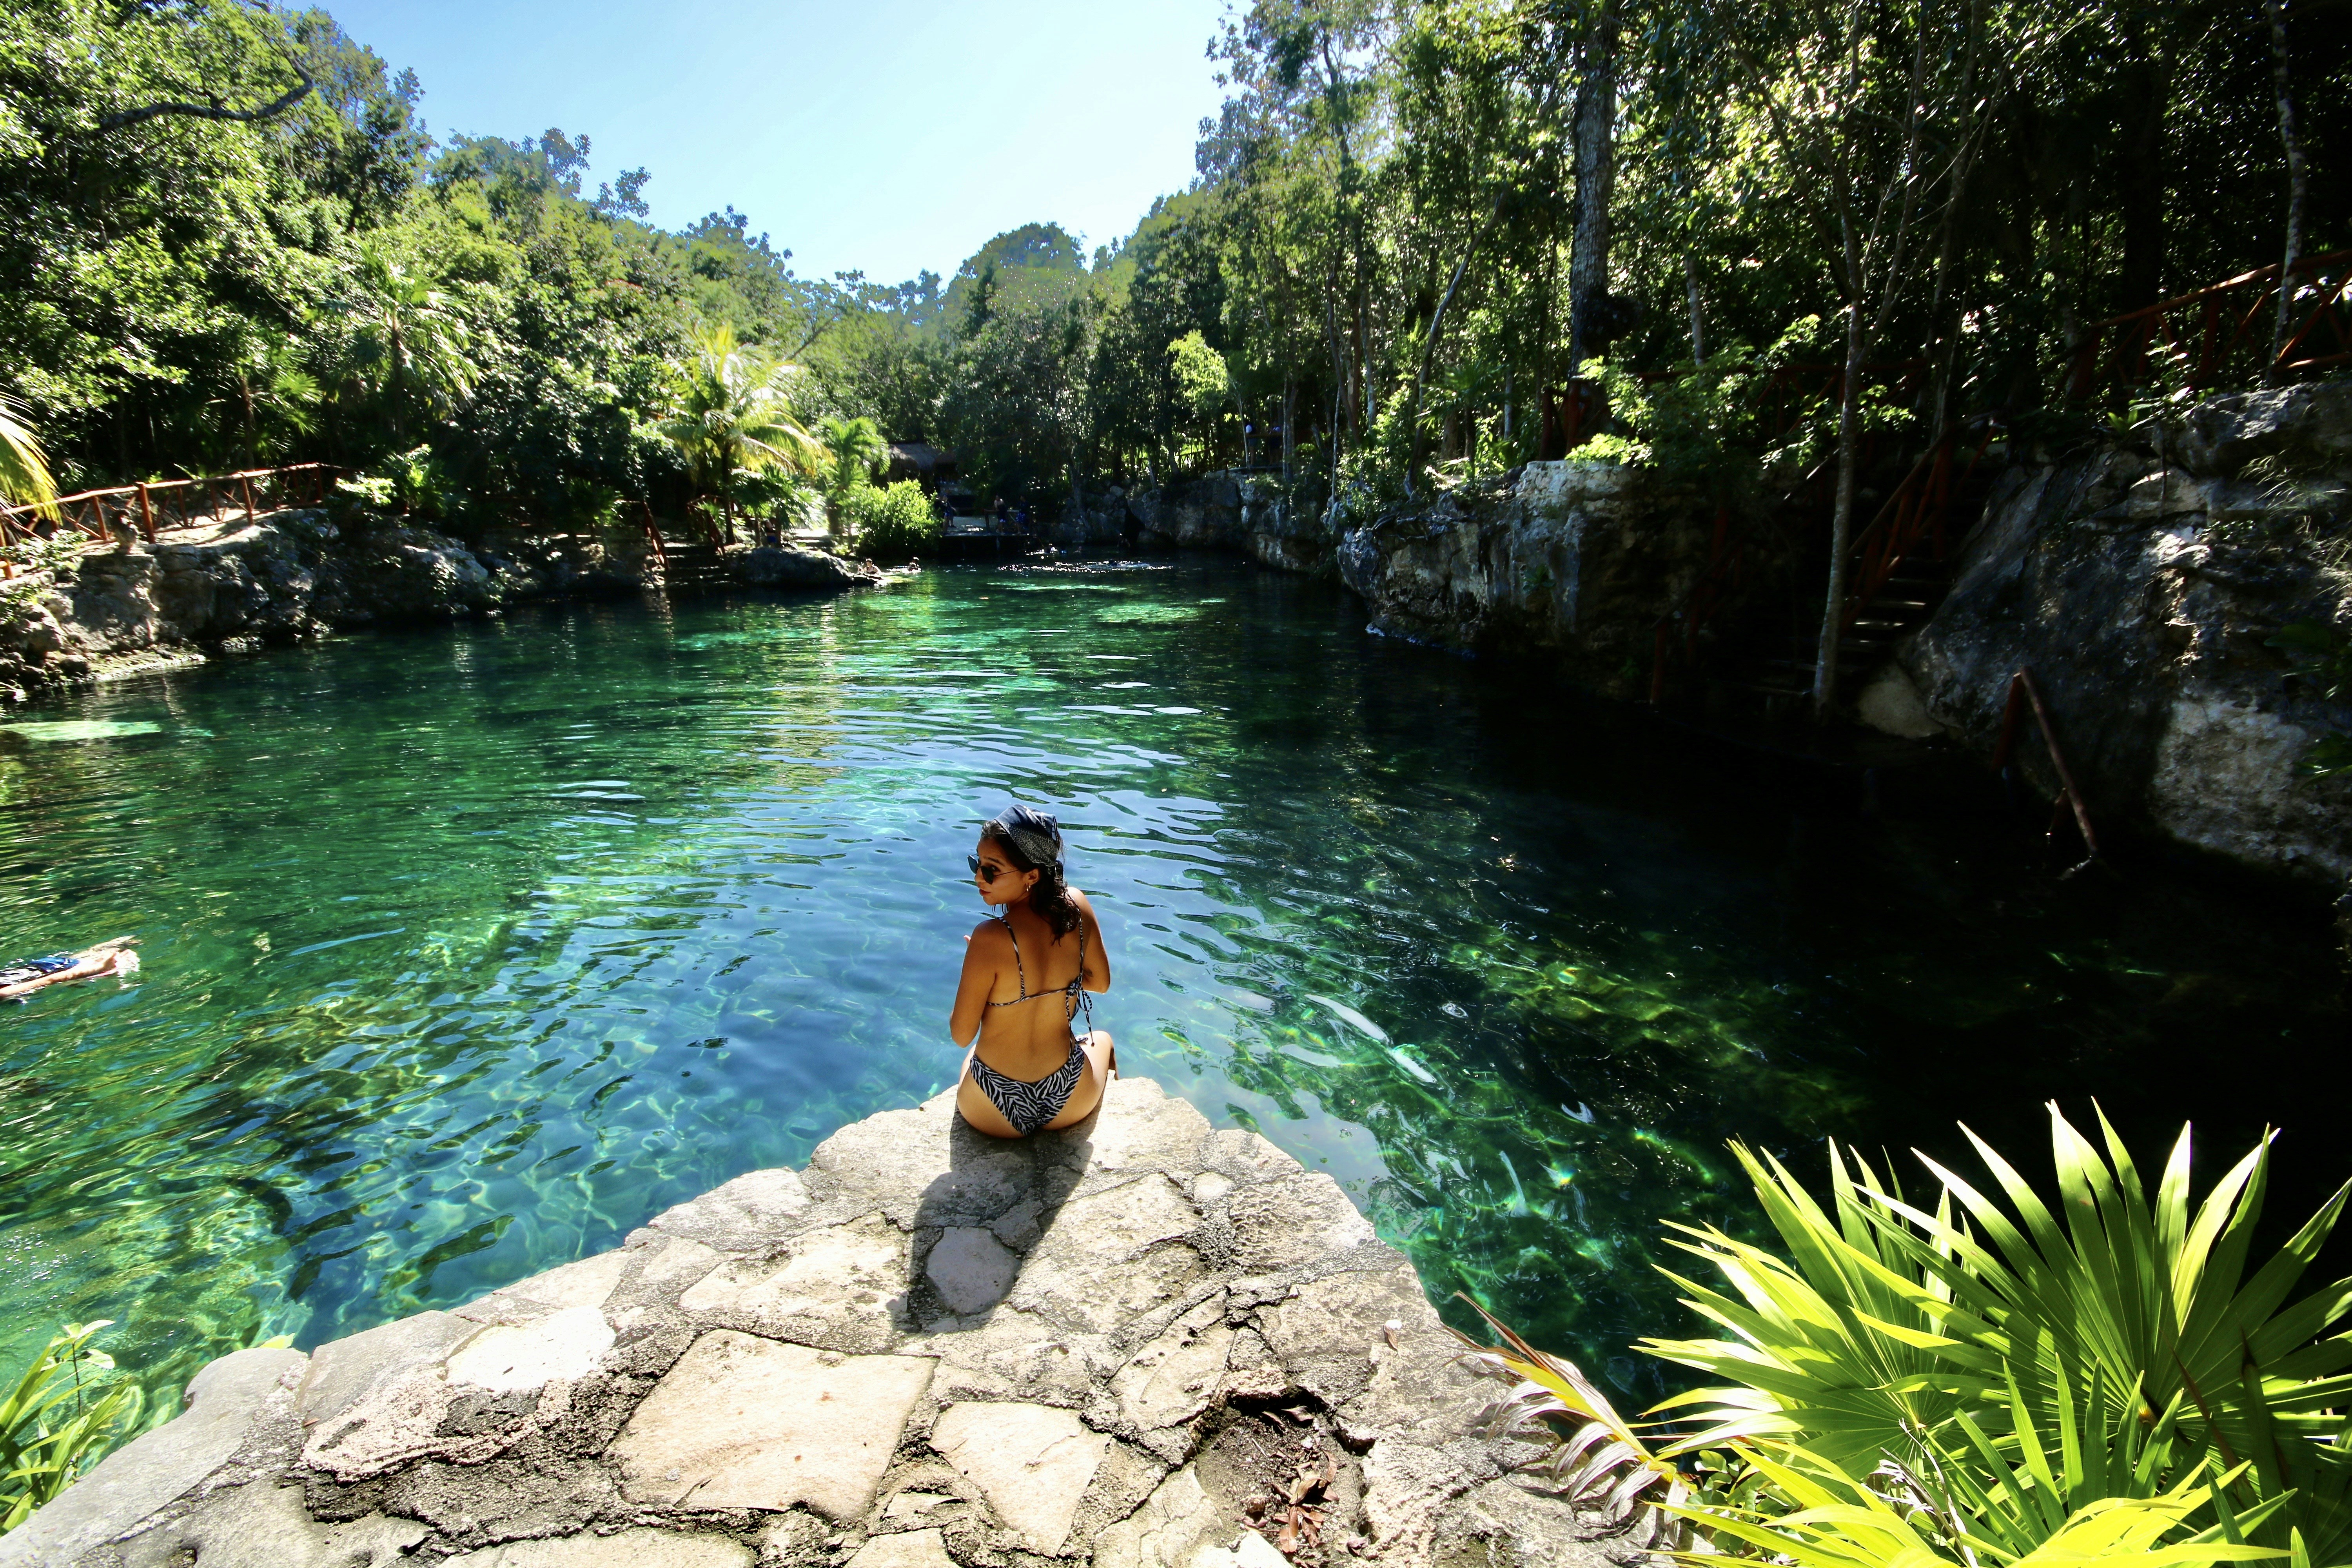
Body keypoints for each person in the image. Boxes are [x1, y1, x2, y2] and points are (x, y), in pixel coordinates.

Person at [949, 806, 1114, 1137]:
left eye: (991, 870)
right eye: (976, 865)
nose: (978, 878)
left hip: (992, 1107)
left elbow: (961, 1035)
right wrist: (1059, 975)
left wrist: (983, 969)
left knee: (970, 1056)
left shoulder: (989, 938)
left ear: (1032, 876)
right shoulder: (1077, 906)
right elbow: (1101, 984)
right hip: (1069, 1097)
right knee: (1104, 1040)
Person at [0, 937, 139, 1002]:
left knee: (119, 960)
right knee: (109, 949)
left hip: (58, 970)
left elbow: (51, 980)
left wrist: (100, 968)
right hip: (44, 965)